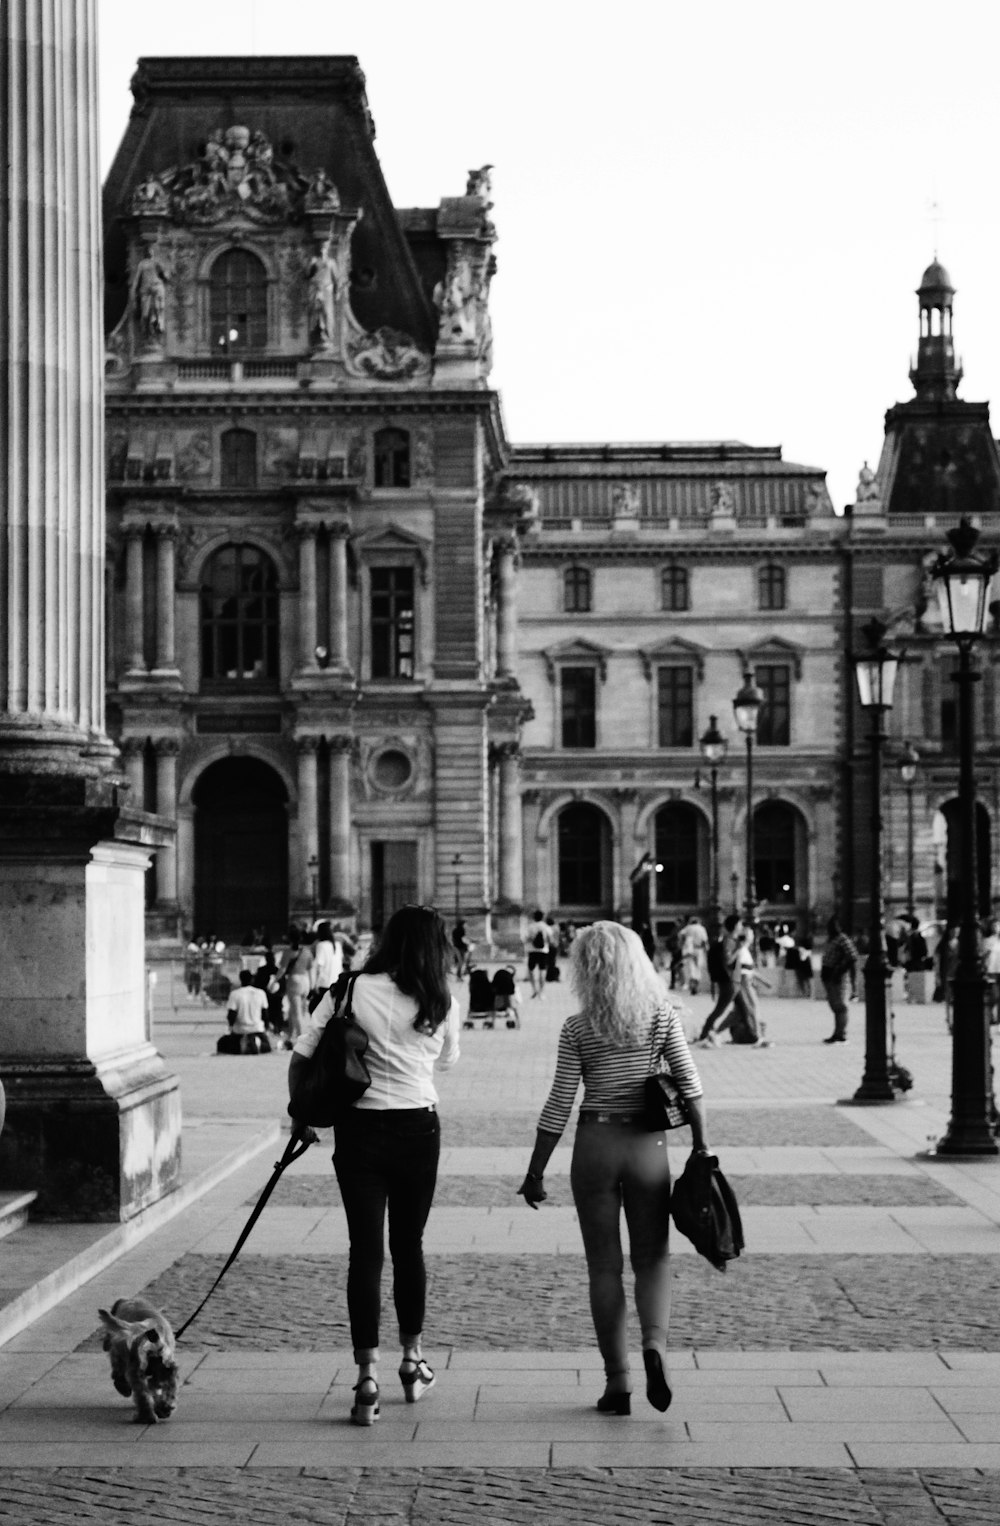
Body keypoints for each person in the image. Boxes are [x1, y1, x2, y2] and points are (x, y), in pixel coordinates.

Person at [517, 922, 708, 1417]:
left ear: (586, 968)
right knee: (654, 1258)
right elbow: (690, 1084)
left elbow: (560, 1102)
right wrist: (702, 1148)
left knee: (603, 1267)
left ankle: (617, 1383)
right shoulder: (661, 1018)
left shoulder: (577, 1027)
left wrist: (535, 1170)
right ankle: (655, 1347)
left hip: (595, 1144)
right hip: (647, 1144)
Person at [288, 905, 461, 1426]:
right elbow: (448, 1061)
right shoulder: (440, 998)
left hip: (359, 1131)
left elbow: (302, 1053)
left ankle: (367, 1379)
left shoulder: (349, 989)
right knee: (409, 1247)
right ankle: (413, 1361)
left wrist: (302, 1115)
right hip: (417, 1130)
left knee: (364, 1253)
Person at [697, 914, 741, 1045]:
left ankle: (752, 1034)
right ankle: (706, 1033)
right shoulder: (729, 941)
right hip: (730, 981)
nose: (742, 926)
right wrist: (740, 949)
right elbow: (728, 960)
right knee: (720, 1009)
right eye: (740, 924)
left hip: (735, 980)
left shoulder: (733, 940)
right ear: (735, 926)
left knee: (744, 1010)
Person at [820, 917, 859, 1043]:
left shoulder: (843, 939)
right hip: (829, 976)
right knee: (835, 1006)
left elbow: (852, 957)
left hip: (837, 976)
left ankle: (841, 1034)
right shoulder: (833, 940)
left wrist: (840, 970)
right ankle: (837, 1032)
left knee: (841, 1006)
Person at [223, 969, 270, 1054]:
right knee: (267, 1048)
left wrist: (230, 1027)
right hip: (257, 1028)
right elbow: (265, 1013)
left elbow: (231, 1014)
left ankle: (242, 1044)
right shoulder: (261, 993)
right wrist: (266, 1027)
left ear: (240, 979)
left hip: (240, 1030)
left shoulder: (235, 994)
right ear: (252, 979)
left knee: (228, 1047)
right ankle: (258, 1043)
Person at [281, 927, 313, 1044]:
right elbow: (310, 969)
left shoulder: (288, 952)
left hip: (294, 981)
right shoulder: (307, 951)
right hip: (306, 982)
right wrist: (312, 985)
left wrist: (274, 980)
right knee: (296, 1011)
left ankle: (301, 1039)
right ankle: (290, 1036)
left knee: (297, 1012)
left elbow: (283, 969)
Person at [526, 909, 554, 999]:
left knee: (531, 970)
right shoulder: (546, 927)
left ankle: (534, 990)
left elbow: (526, 939)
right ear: (543, 917)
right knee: (542, 970)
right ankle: (541, 992)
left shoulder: (530, 926)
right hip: (543, 951)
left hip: (532, 950)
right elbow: (551, 940)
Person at [311, 920, 343, 996]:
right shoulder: (338, 945)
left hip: (324, 983)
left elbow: (319, 966)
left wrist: (315, 984)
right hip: (336, 982)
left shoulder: (321, 945)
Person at [679, 915, 708, 996]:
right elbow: (705, 941)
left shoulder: (688, 928)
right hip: (699, 949)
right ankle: (696, 986)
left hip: (690, 949)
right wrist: (706, 950)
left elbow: (680, 934)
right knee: (698, 968)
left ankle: (692, 987)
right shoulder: (701, 928)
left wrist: (683, 943)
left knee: (691, 967)